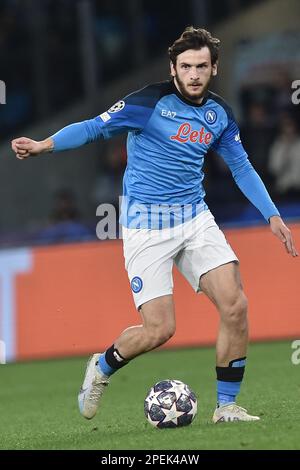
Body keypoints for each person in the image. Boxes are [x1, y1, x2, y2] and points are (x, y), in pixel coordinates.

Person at [11, 27, 298, 424]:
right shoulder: (147, 102)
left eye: (201, 66)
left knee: (235, 305)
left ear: (214, 68)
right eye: (185, 66)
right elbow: (95, 127)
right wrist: (45, 145)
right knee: (160, 330)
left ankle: (227, 406)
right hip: (146, 226)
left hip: (195, 219)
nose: (193, 74)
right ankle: (102, 366)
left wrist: (272, 216)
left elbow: (241, 166)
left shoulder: (219, 114)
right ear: (173, 68)